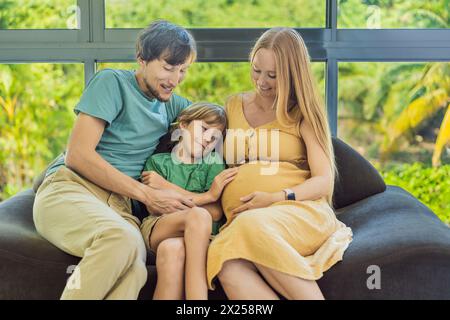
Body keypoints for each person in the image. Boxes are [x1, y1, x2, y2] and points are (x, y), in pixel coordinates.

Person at [33, 20, 197, 299]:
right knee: (118, 240)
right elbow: (78, 155)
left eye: (182, 70)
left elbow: (219, 119)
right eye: (168, 67)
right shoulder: (112, 83)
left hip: (119, 208)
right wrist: (147, 194)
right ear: (142, 59)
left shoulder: (173, 105)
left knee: (135, 269)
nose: (175, 79)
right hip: (74, 188)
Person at [206, 27, 353, 300]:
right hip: (243, 222)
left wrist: (275, 196)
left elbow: (324, 181)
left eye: (273, 75)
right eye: (256, 70)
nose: (262, 81)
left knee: (250, 225)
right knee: (226, 264)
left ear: (292, 75)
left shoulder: (303, 115)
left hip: (300, 212)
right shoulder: (232, 106)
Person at [140, 102, 237, 300]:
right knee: (199, 214)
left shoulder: (214, 164)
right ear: (183, 125)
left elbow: (216, 213)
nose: (207, 139)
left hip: (198, 237)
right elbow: (156, 206)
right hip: (160, 226)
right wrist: (207, 197)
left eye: (214, 137)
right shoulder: (157, 163)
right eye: (203, 129)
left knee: (172, 249)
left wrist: (166, 187)